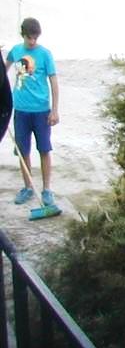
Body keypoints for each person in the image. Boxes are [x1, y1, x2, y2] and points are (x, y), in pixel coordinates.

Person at [5, 17, 61, 217]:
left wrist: (54, 110)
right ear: (23, 35)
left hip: (41, 110)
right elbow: (4, 70)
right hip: (20, 110)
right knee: (22, 150)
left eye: (35, 38)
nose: (32, 41)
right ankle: (28, 187)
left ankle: (46, 190)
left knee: (44, 149)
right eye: (29, 38)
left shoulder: (45, 54)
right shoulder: (15, 51)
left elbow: (54, 82)